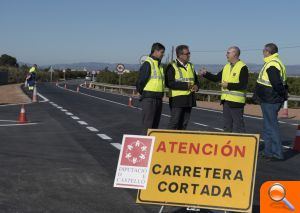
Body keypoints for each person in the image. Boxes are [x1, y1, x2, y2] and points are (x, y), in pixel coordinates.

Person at [200, 46, 249, 133]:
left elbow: (243, 85)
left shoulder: (243, 67)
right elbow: (216, 78)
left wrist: (228, 85)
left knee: (238, 126)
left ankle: (240, 145)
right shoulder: (226, 66)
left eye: (228, 53)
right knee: (227, 126)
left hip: (236, 102)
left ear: (234, 54)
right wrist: (205, 74)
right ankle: (228, 145)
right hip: (226, 101)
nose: (226, 55)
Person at [253, 43, 288, 160]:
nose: (262, 51)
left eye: (264, 49)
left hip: (271, 100)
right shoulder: (274, 62)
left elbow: (277, 83)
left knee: (272, 127)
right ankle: (268, 152)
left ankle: (277, 153)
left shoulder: (272, 64)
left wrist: (282, 95)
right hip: (269, 99)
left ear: (268, 51)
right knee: (268, 127)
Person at [165, 45, 200, 130]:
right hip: (177, 99)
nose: (189, 55)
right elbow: (169, 83)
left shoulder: (191, 66)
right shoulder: (172, 66)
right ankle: (169, 140)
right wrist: (186, 85)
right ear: (180, 55)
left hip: (189, 98)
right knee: (174, 122)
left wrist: (197, 86)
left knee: (184, 123)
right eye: (187, 53)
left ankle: (180, 141)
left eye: (189, 53)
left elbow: (196, 80)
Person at [136, 43, 165, 134]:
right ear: (155, 51)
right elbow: (140, 82)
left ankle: (152, 146)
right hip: (149, 98)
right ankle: (145, 145)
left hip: (158, 98)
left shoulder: (159, 65)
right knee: (147, 125)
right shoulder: (148, 63)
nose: (163, 54)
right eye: (162, 52)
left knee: (154, 127)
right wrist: (144, 94)